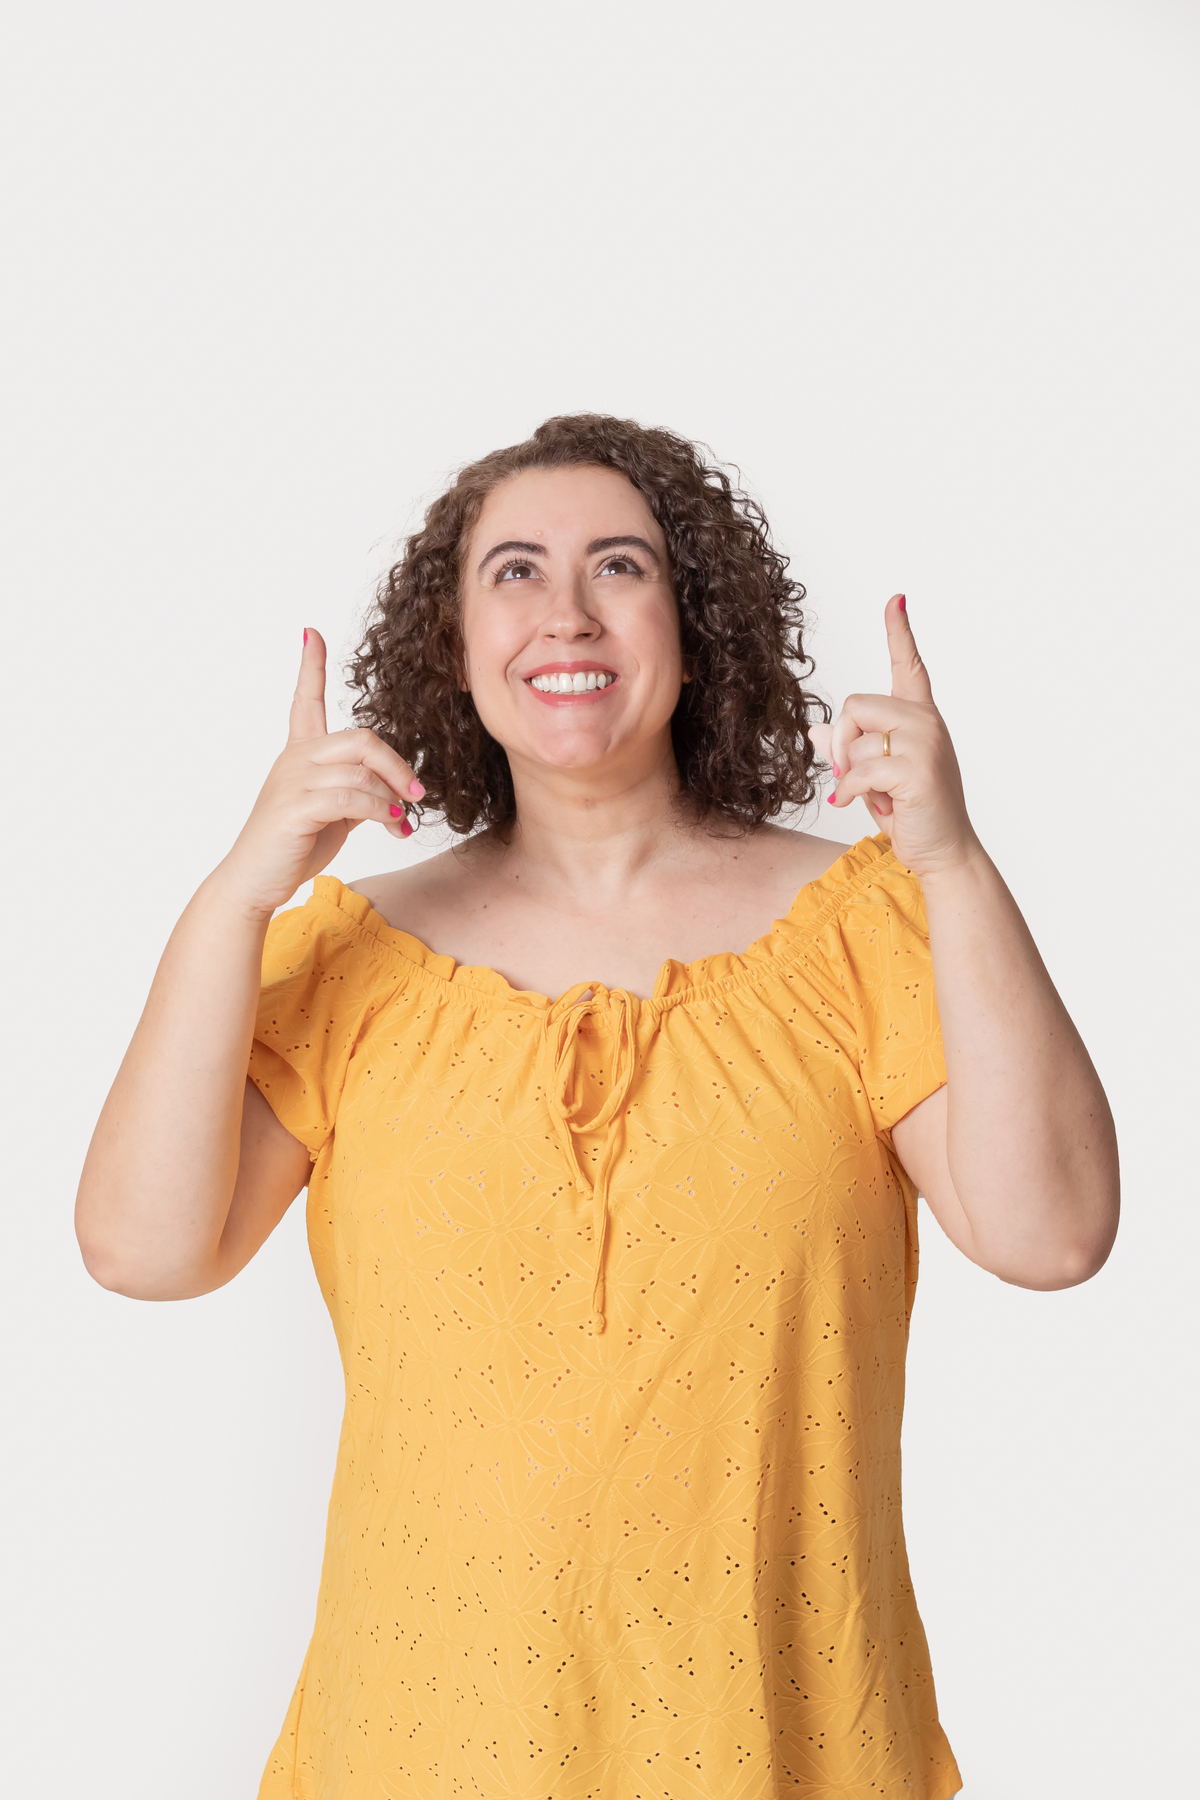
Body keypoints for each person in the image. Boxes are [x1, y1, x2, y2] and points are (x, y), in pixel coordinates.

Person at [76, 414, 1119, 1800]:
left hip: (782, 1752)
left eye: (618, 565)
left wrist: (956, 863)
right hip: (416, 1752)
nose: (564, 610)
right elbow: (145, 1251)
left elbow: (1052, 1235)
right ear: (454, 645)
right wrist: (237, 893)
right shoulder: (348, 961)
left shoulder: (862, 929)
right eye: (513, 571)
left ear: (691, 623)